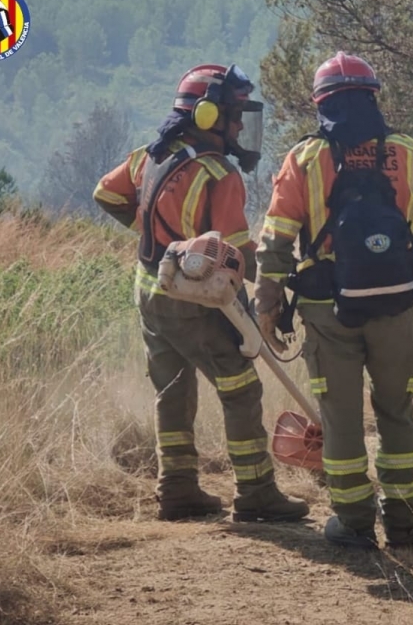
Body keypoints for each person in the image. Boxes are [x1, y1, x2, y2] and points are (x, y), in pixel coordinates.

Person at [254, 52, 413, 549]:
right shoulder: (411, 155)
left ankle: (353, 524)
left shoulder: (305, 159)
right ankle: (405, 524)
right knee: (397, 412)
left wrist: (267, 307)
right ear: (373, 98)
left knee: (341, 420)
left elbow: (276, 243)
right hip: (398, 306)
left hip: (328, 313)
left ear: (320, 103)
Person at [93, 63, 311, 523]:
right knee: (241, 388)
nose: (240, 128)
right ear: (207, 115)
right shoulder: (218, 174)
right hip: (196, 305)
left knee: (172, 391)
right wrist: (280, 283)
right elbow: (240, 252)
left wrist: (151, 234)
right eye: (234, 116)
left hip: (149, 292)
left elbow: (106, 195)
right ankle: (256, 492)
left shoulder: (147, 157)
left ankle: (177, 490)